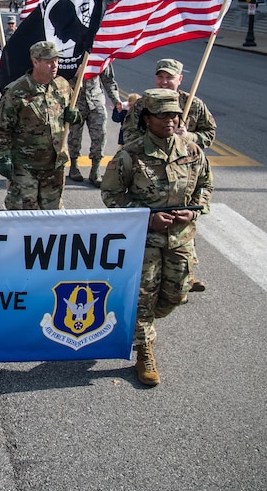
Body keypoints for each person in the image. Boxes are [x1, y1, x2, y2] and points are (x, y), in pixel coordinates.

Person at [99, 88, 212, 387]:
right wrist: (146, 216)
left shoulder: (191, 151)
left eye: (174, 114)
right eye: (162, 115)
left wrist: (195, 211)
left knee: (176, 295)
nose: (170, 120)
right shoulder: (130, 154)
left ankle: (140, 323)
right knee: (143, 298)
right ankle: (143, 350)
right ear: (147, 119)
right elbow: (111, 194)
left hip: (181, 239)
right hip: (144, 241)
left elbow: (205, 186)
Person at [122, 58, 216, 292]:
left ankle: (187, 273)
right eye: (160, 76)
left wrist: (189, 137)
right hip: (150, 170)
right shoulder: (145, 104)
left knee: (183, 222)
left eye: (169, 78)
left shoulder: (193, 104)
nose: (164, 82)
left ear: (179, 80)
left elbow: (209, 133)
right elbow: (129, 133)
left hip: (184, 168)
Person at [0, 40, 79, 210]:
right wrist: (3, 157)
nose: (54, 65)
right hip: (25, 166)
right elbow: (1, 128)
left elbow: (71, 113)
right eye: (48, 62)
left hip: (55, 164)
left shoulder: (62, 85)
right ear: (35, 62)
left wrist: (75, 116)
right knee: (24, 213)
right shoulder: (17, 91)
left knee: (52, 214)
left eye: (56, 61)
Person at [67, 67, 123, 186]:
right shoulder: (71, 53)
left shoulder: (99, 54)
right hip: (75, 101)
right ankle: (73, 165)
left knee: (100, 135)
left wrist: (116, 100)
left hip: (96, 101)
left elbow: (108, 80)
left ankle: (95, 169)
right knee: (74, 135)